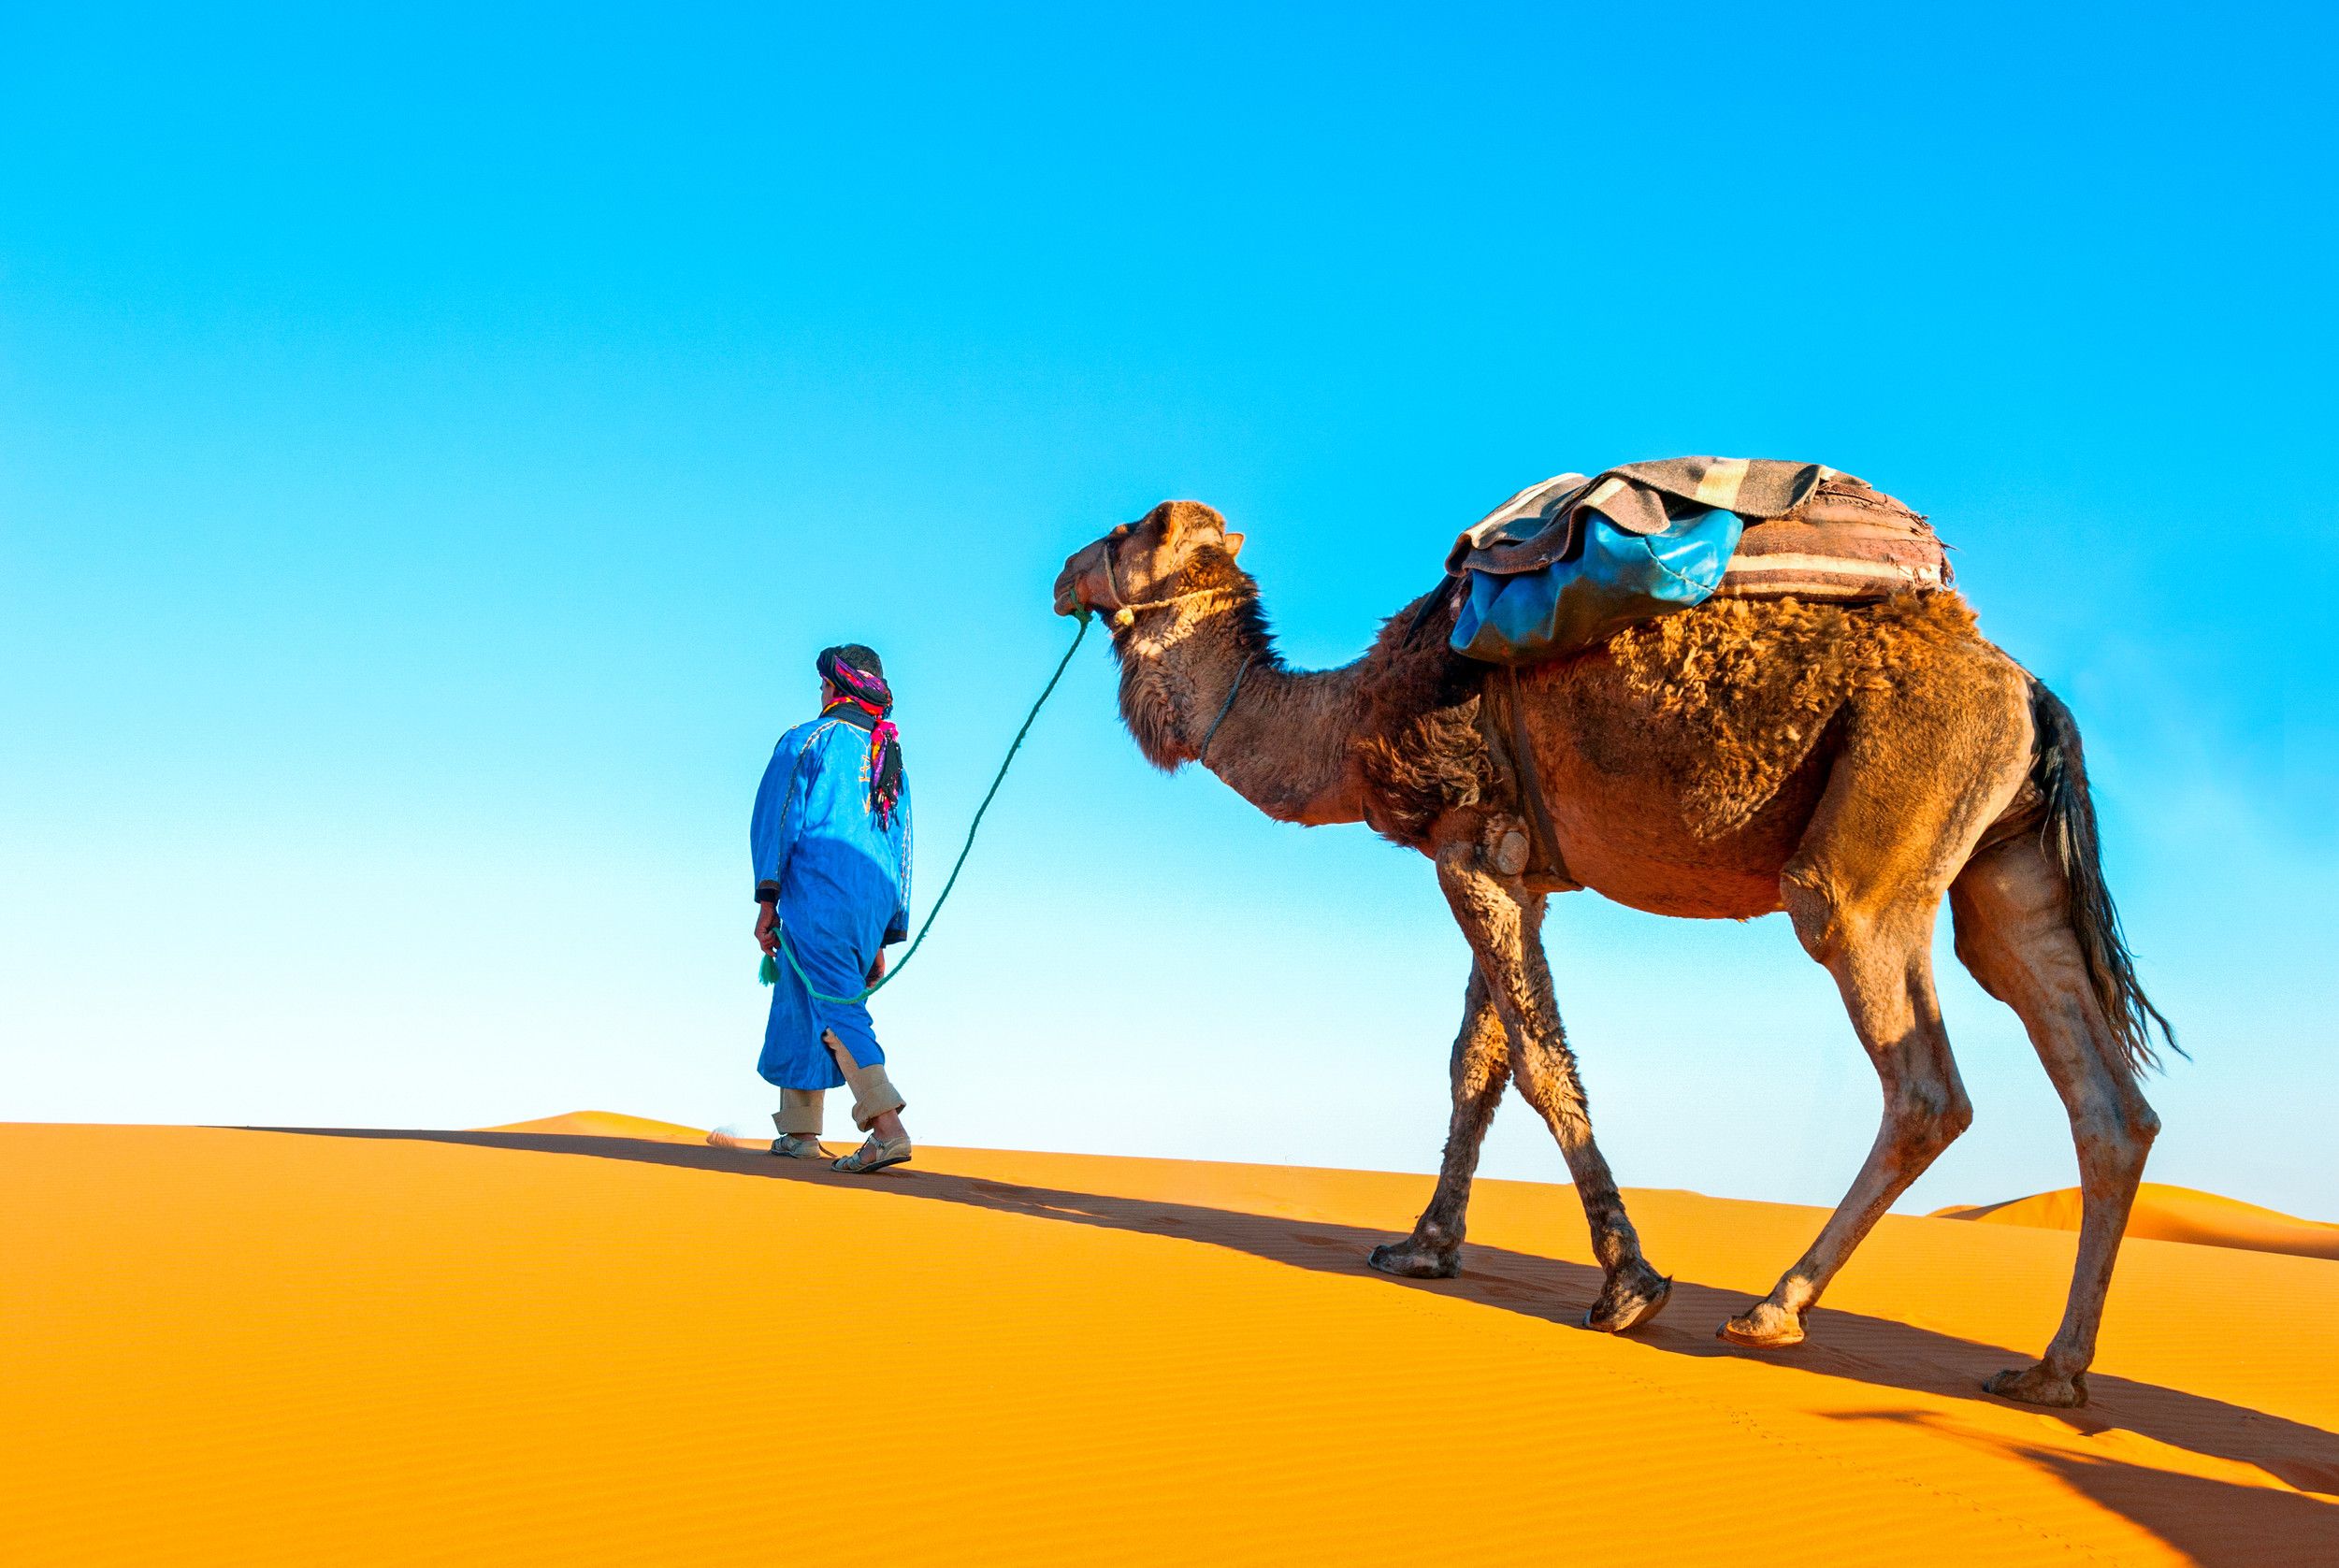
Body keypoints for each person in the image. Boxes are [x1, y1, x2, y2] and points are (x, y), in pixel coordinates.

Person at [744, 643, 916, 1173]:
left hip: (819, 892)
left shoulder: (809, 740)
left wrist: (767, 898)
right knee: (800, 998)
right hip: (869, 901)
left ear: (834, 686)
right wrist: (885, 931)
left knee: (838, 1006)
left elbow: (778, 818)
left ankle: (887, 1128)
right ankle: (799, 1132)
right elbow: (902, 843)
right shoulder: (888, 755)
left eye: (822, 684)